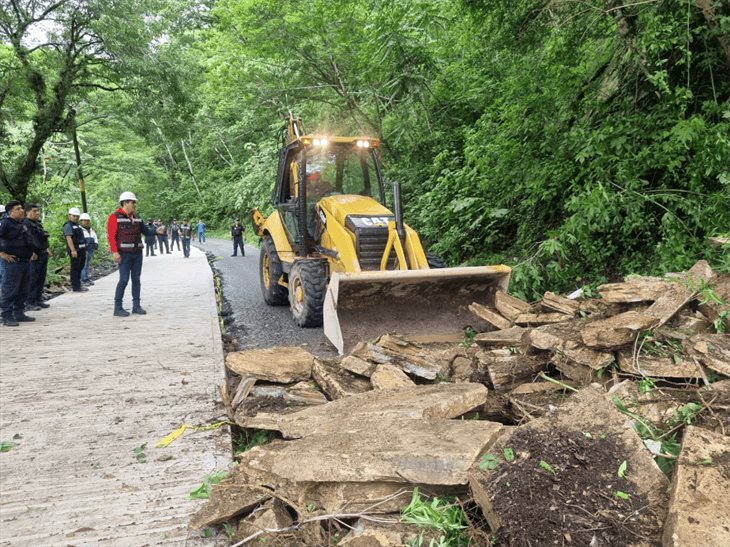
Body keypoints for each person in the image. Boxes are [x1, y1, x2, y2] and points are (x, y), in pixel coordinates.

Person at [107, 191, 156, 316]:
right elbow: (111, 236)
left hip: (137, 253)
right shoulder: (114, 217)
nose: (134, 205)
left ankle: (136, 306)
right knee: (123, 280)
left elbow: (146, 231)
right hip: (124, 254)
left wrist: (157, 231)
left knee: (136, 280)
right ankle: (117, 308)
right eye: (132, 202)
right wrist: (114, 252)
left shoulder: (137, 217)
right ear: (125, 203)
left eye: (135, 202)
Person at [0, 200, 36, 326]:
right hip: (12, 263)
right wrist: (2, 254)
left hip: (25, 262)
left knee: (23, 289)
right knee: (10, 289)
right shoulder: (5, 223)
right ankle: (6, 316)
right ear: (10, 212)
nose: (21, 210)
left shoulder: (21, 224)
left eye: (21, 208)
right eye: (18, 208)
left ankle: (19, 313)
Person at [24, 203, 52, 310]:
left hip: (42, 253)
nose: (37, 213)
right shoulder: (26, 224)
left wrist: (47, 248)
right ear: (27, 212)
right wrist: (31, 252)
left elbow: (42, 237)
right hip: (34, 255)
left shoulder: (37, 224)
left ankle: (38, 299)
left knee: (41, 278)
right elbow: (27, 240)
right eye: (34, 211)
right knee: (33, 278)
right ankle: (30, 302)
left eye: (38, 211)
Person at [63, 207, 87, 292]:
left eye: (77, 216)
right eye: (74, 216)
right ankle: (76, 287)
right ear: (69, 216)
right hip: (75, 251)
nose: (76, 217)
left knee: (80, 267)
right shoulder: (68, 226)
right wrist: (73, 250)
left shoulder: (77, 225)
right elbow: (68, 238)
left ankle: (78, 285)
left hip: (81, 250)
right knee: (75, 268)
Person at [79, 213, 98, 285]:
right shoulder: (80, 230)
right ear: (81, 221)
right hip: (84, 250)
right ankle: (84, 279)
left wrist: (96, 243)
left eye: (87, 220)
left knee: (87, 264)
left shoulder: (91, 230)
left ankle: (86, 277)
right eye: (84, 220)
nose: (86, 222)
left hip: (91, 249)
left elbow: (95, 237)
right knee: (83, 264)